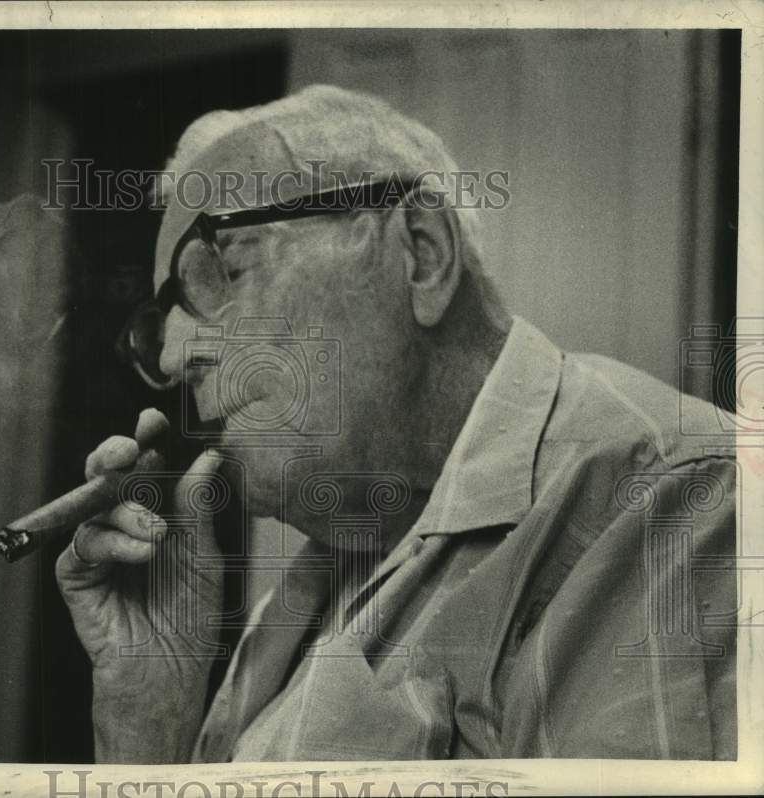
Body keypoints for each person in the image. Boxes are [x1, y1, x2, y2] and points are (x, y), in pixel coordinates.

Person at [56, 85, 737, 762]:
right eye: (163, 323)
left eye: (225, 270)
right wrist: (151, 708)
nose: (174, 356)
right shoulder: (323, 571)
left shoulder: (664, 495)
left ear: (422, 251)